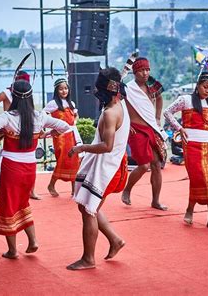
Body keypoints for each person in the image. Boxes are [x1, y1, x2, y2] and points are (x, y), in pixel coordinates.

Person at [0, 80, 69, 259]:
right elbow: (64, 126)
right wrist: (46, 133)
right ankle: (32, 241)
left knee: (8, 205)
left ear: (14, 97)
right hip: (29, 168)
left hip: (11, 167)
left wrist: (1, 133)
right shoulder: (39, 117)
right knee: (23, 203)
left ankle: (12, 250)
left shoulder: (8, 117)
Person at [66, 67, 130, 271]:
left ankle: (88, 259)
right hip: (108, 165)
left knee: (88, 210)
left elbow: (107, 146)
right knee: (86, 207)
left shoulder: (112, 113)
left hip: (107, 168)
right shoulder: (120, 105)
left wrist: (81, 147)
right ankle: (115, 240)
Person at [164, 70, 208, 230]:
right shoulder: (186, 100)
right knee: (199, 179)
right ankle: (189, 210)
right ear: (198, 85)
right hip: (192, 146)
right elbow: (167, 112)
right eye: (205, 87)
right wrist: (179, 128)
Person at [121, 57, 168, 210]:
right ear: (135, 72)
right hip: (135, 129)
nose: (145, 73)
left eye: (147, 70)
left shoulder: (152, 85)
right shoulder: (128, 88)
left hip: (151, 127)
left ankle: (156, 201)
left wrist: (158, 117)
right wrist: (126, 125)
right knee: (143, 165)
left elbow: (160, 98)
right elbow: (120, 107)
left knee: (156, 165)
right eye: (141, 70)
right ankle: (127, 190)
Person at [0, 71, 41, 200]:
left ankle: (31, 191)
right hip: (10, 126)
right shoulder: (6, 93)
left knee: (29, 155)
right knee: (12, 157)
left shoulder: (28, 93)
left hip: (27, 127)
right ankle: (14, 192)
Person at [43, 78, 81, 197]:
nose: (64, 91)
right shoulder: (53, 104)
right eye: (61, 89)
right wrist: (51, 129)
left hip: (72, 135)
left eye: (66, 88)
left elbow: (76, 117)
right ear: (56, 90)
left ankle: (74, 189)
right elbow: (42, 116)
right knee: (62, 161)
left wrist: (74, 120)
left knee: (75, 160)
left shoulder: (71, 103)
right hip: (60, 137)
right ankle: (51, 185)